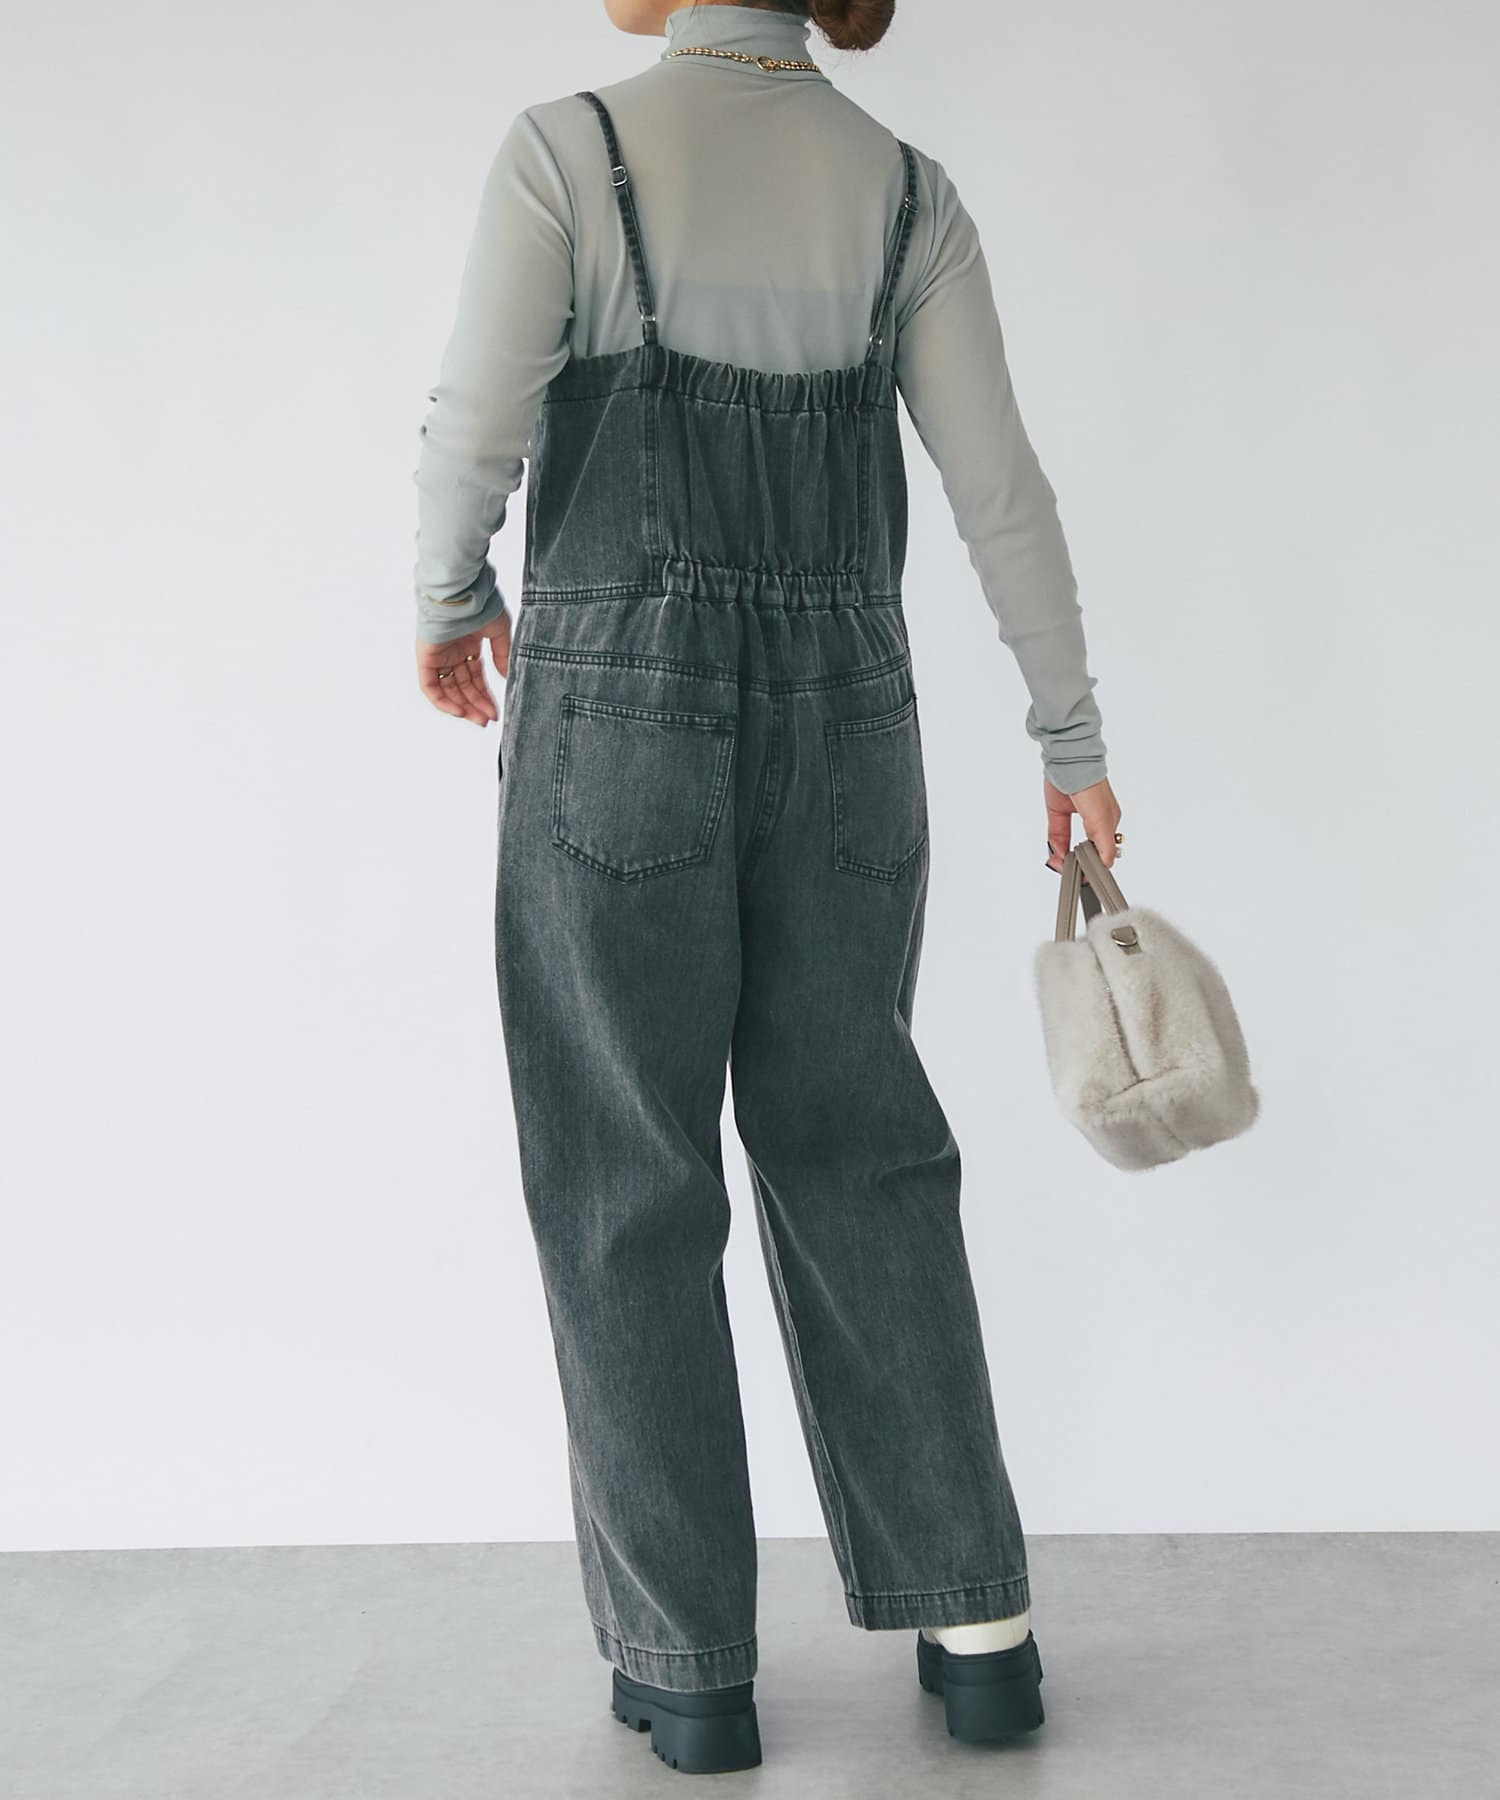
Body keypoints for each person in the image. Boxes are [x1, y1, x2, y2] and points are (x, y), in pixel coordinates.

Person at [411, 0, 1122, 1773]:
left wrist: (447, 595)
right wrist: (1070, 739)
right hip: (850, 730)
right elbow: (1002, 493)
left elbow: (474, 424)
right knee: (863, 1152)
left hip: (617, 723)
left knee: (626, 1186)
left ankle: (694, 1676)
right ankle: (980, 1631)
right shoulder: (907, 196)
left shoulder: (569, 151)